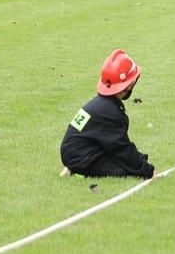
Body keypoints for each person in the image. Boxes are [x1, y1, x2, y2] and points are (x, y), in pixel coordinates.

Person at [60, 49, 154, 179]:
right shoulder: (111, 112)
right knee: (125, 171)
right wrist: (147, 171)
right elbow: (121, 149)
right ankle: (78, 170)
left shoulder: (103, 104)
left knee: (132, 161)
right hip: (80, 156)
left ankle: (74, 167)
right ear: (130, 84)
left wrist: (139, 159)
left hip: (79, 151)